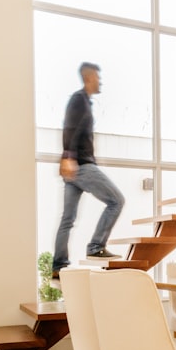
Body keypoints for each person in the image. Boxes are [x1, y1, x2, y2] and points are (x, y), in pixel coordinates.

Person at [52, 62, 125, 276]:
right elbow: (70, 128)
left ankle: (58, 265)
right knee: (116, 201)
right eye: (98, 78)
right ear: (89, 77)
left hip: (74, 168)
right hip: (82, 166)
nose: (100, 81)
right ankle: (95, 247)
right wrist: (69, 156)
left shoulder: (84, 102)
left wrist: (67, 158)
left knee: (67, 218)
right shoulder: (79, 100)